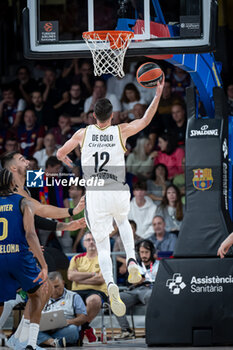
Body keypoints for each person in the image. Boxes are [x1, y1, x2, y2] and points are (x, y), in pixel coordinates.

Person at [56, 78, 164, 317]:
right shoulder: (121, 130)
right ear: (112, 115)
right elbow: (146, 120)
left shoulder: (82, 134)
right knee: (124, 223)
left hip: (94, 192)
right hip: (116, 187)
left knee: (102, 245)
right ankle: (133, 262)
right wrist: (157, 94)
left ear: (94, 116)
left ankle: (112, 284)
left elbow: (60, 153)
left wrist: (72, 163)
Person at [0, 168, 49, 350]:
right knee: (39, 293)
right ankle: (31, 343)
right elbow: (30, 234)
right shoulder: (24, 202)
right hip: (18, 256)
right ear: (13, 184)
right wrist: (42, 263)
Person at [115, 239, 159, 340]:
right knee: (116, 298)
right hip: (134, 290)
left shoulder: (159, 264)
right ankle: (126, 330)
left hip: (149, 289)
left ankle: (151, 330)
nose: (144, 255)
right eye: (142, 252)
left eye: (146, 252)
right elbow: (127, 282)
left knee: (151, 295)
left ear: (151, 252)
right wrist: (134, 281)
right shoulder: (134, 265)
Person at [68, 232, 108, 342]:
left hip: (97, 290)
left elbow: (100, 279)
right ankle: (86, 328)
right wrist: (92, 274)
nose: (91, 242)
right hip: (77, 291)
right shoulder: (76, 258)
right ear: (84, 244)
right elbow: (71, 276)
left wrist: (79, 278)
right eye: (88, 240)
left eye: (93, 240)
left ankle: (81, 328)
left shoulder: (103, 258)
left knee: (94, 300)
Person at [37, 271, 87, 347]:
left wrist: (68, 322)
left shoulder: (74, 297)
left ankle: (45, 340)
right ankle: (54, 342)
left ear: (63, 283)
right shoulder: (43, 298)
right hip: (45, 330)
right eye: (51, 287)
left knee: (73, 330)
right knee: (30, 330)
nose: (54, 290)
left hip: (65, 329)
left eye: (57, 286)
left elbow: (83, 318)